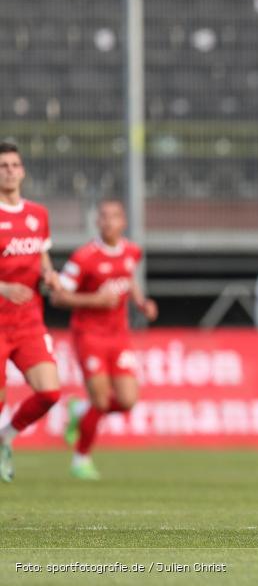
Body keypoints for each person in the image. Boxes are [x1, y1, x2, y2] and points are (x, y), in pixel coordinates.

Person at [50, 199, 157, 480]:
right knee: (100, 400)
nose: (109, 222)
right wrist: (94, 299)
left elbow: (128, 278)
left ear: (123, 222)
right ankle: (80, 458)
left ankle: (79, 409)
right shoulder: (84, 257)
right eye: (104, 217)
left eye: (115, 217)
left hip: (119, 336)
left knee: (127, 400)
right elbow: (58, 296)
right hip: (90, 335)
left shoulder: (132, 251)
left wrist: (141, 302)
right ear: (97, 222)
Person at [0, 141, 63, 483]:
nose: (9, 171)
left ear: (22, 171)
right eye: (3, 166)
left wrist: (49, 276)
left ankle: (5, 436)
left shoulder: (38, 214)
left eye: (14, 165)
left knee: (50, 392)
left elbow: (40, 256)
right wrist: (3, 288)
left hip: (28, 323)